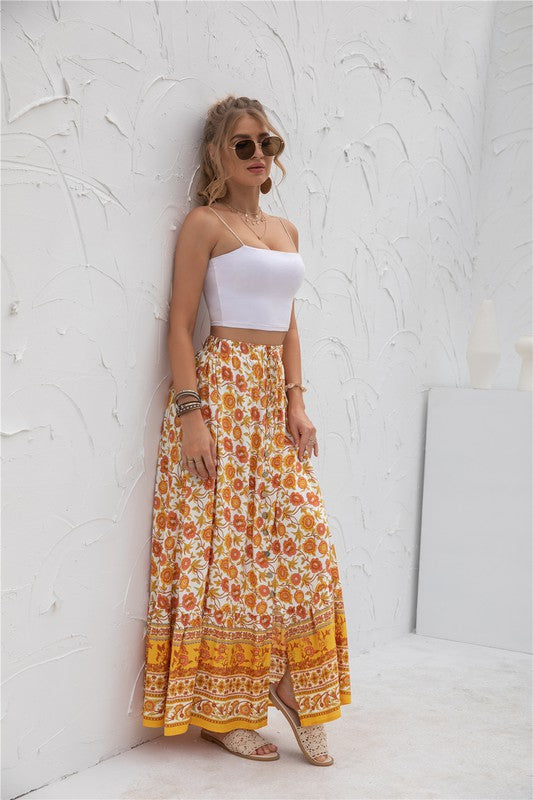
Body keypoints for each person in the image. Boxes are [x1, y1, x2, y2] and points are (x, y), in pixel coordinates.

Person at [142, 95, 351, 766]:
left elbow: (288, 322)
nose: (259, 153)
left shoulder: (286, 230)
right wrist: (190, 415)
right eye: (242, 143)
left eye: (268, 141)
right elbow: (179, 326)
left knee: (302, 539)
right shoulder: (204, 224)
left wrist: (297, 400)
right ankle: (226, 713)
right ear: (217, 154)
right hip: (223, 388)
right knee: (228, 554)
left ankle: (286, 685)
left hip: (270, 398)